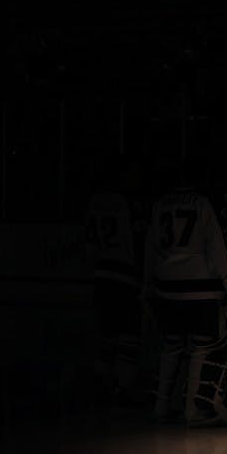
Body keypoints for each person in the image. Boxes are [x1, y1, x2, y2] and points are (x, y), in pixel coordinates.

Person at [142, 154, 227, 426]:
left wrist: (148, 284)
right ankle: (192, 408)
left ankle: (161, 405)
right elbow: (217, 248)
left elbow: (150, 247)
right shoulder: (203, 203)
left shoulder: (160, 204)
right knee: (201, 348)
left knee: (171, 347)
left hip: (165, 287)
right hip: (200, 288)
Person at [82, 152, 147, 407]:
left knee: (106, 336)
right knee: (128, 337)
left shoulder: (95, 201)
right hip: (125, 275)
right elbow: (140, 239)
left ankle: (103, 385)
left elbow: (87, 242)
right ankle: (121, 390)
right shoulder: (129, 202)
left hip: (102, 274)